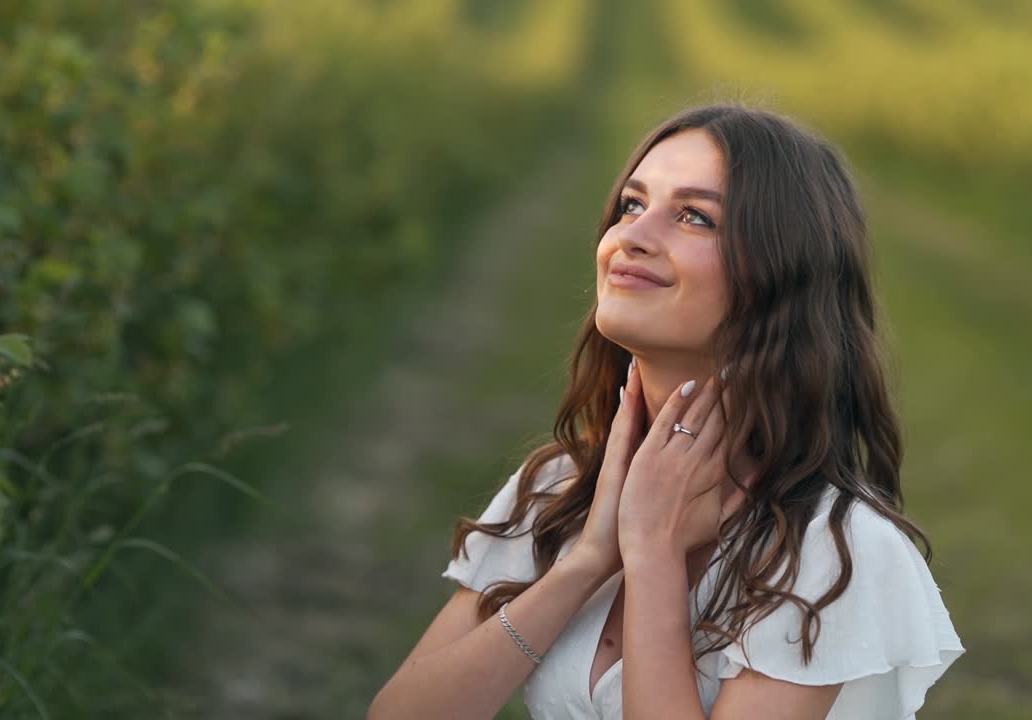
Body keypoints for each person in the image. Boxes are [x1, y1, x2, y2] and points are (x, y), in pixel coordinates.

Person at [369, 103, 965, 720]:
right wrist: (586, 563)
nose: (633, 236)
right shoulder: (558, 491)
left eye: (694, 217)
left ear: (782, 275)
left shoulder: (836, 550)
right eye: (631, 204)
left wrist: (652, 554)